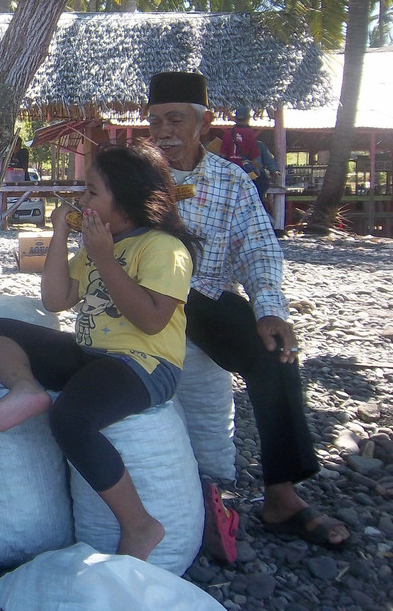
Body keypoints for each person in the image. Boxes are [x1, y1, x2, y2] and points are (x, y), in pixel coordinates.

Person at [146, 71, 349, 549]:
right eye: (155, 121)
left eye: (175, 119)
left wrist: (270, 308)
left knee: (274, 350)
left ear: (205, 122)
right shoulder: (133, 171)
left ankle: (281, 495)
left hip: (205, 298)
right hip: (144, 293)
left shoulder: (231, 180)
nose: (163, 132)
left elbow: (257, 249)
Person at [0, 142, 198, 560]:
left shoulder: (163, 248)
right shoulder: (99, 246)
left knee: (71, 419)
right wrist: (60, 234)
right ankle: (25, 389)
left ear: (127, 200)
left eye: (92, 192)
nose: (82, 201)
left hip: (143, 364)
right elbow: (55, 299)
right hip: (91, 353)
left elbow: (152, 320)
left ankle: (139, 524)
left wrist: (105, 260)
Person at [219, 107, 262, 191]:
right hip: (244, 172)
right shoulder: (250, 133)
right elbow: (254, 155)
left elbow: (222, 154)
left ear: (236, 118)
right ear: (248, 118)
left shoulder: (228, 133)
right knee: (262, 183)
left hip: (229, 172)